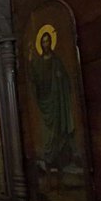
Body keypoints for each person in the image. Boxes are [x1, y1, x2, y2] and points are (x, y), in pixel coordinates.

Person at [30, 31, 74, 168]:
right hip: (45, 102)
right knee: (47, 134)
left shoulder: (56, 61)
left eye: (47, 41)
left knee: (58, 131)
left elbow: (66, 80)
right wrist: (31, 61)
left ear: (51, 42)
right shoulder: (38, 63)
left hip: (56, 101)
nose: (45, 44)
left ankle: (60, 159)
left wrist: (61, 79)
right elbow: (34, 79)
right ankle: (49, 160)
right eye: (43, 42)